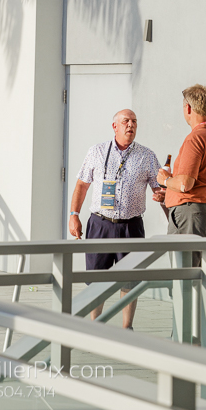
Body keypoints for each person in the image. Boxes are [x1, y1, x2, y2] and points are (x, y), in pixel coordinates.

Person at [68, 109, 164, 329]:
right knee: (96, 279)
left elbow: (159, 188)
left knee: (130, 280)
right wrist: (74, 215)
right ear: (115, 126)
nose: (131, 125)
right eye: (126, 121)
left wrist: (160, 194)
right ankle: (95, 326)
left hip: (131, 225)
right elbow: (82, 185)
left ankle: (126, 327)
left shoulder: (147, 156)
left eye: (134, 122)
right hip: (100, 224)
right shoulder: (97, 151)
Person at [158, 84, 206, 239]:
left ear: (188, 108)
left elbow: (185, 184)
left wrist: (166, 180)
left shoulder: (196, 138)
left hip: (191, 217)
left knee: (185, 263)